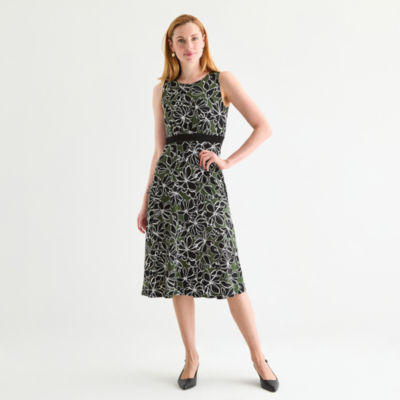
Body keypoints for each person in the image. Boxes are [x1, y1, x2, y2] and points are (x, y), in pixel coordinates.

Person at [137, 14, 279, 392]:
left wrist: (227, 161)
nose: (189, 46)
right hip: (169, 192)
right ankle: (191, 356)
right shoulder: (162, 91)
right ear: (171, 46)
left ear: (204, 42)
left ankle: (258, 356)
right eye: (181, 40)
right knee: (179, 274)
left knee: (229, 275)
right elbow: (159, 149)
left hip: (207, 191)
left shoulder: (222, 81)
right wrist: (147, 198)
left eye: (195, 38)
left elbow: (263, 127)